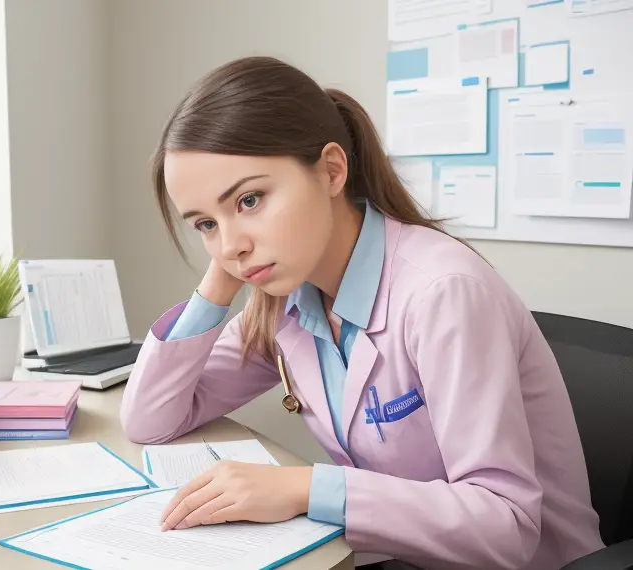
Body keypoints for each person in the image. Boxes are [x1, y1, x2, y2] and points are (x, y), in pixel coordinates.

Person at [120, 56, 604, 570]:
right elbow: (152, 420)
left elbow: (506, 526)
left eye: (249, 199)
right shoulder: (288, 302)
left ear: (331, 170)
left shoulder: (443, 293)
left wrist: (306, 487)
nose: (229, 244)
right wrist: (221, 275)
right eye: (203, 224)